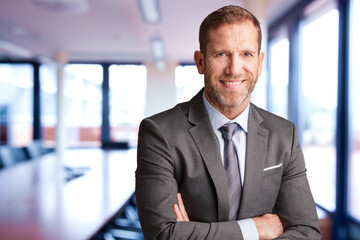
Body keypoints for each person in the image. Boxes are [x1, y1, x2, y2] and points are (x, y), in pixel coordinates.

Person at [135, 5, 321, 240]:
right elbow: (163, 234)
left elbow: (307, 232)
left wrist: (192, 233)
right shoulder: (160, 132)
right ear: (200, 61)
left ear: (260, 62)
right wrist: (255, 229)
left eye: (246, 54)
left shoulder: (284, 134)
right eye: (221, 54)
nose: (234, 69)